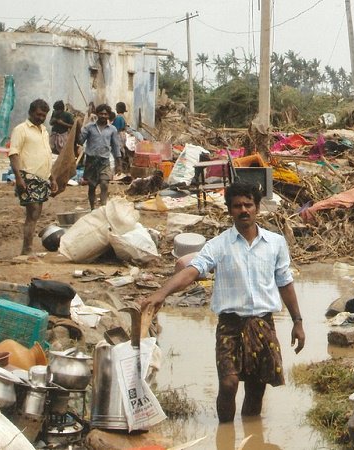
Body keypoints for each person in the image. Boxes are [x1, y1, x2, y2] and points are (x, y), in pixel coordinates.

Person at [140, 181, 305, 422]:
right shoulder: (218, 245)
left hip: (263, 323)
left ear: (257, 208)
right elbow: (193, 271)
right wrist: (161, 293)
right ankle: (225, 432)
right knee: (228, 384)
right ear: (229, 210)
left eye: (248, 204)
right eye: (237, 206)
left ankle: (250, 439)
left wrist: (297, 322)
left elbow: (285, 283)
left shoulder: (275, 243)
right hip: (230, 325)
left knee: (257, 388)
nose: (244, 210)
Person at [7, 99, 58, 256]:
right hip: (27, 177)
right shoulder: (21, 130)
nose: (41, 118)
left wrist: (52, 178)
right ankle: (27, 250)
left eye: (44, 115)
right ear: (30, 112)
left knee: (36, 213)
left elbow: (45, 156)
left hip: (42, 178)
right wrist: (18, 178)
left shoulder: (44, 130)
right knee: (33, 212)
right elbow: (14, 154)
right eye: (38, 115)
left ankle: (28, 248)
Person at [78, 103, 121, 210]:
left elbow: (116, 147)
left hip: (104, 161)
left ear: (108, 115)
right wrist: (78, 129)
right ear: (97, 114)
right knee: (92, 187)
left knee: (104, 184)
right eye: (101, 113)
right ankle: (92, 208)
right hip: (91, 161)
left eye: (105, 114)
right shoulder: (89, 128)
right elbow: (80, 141)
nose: (103, 116)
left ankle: (103, 208)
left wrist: (119, 164)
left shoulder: (112, 129)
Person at [112, 102, 130, 168]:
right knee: (121, 150)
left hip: (119, 136)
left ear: (118, 109)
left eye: (116, 107)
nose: (115, 109)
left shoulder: (118, 118)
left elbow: (115, 129)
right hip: (123, 135)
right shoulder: (123, 117)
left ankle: (119, 167)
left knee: (118, 151)